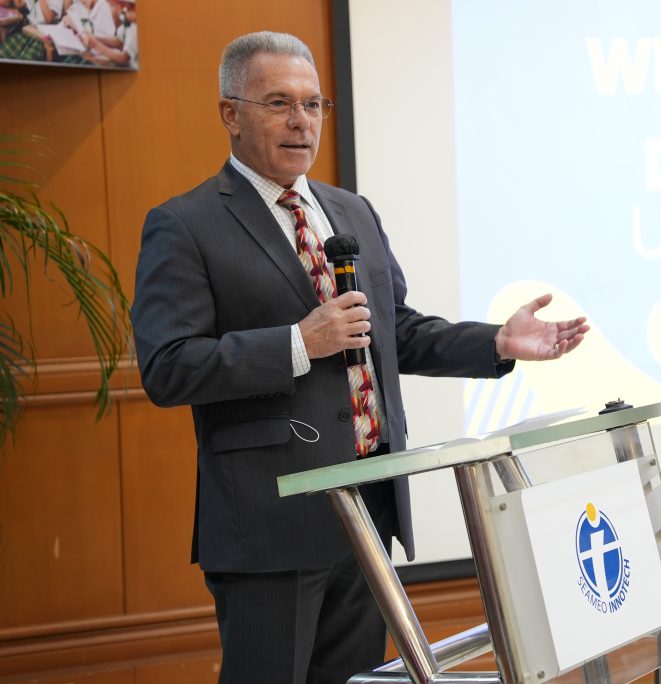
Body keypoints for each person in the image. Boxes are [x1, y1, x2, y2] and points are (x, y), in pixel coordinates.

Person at [131, 31, 588, 684]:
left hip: (366, 514)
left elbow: (392, 329)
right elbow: (169, 366)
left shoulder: (349, 211)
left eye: (314, 104)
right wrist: (299, 344)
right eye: (279, 103)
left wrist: (495, 342)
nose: (301, 121)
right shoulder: (186, 224)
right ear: (231, 114)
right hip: (271, 526)